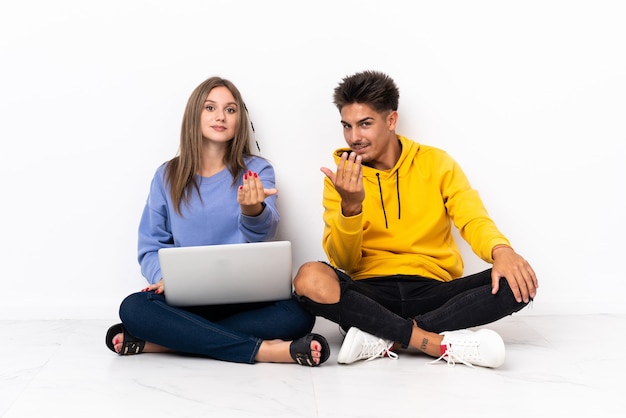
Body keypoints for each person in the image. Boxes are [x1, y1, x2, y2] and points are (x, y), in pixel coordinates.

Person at [293, 70, 538, 368]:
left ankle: (383, 336)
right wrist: (351, 207)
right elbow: (343, 260)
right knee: (309, 277)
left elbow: (472, 217)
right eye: (347, 126)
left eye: (365, 124)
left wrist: (502, 252)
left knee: (518, 280)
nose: (354, 137)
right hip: (370, 293)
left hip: (433, 290)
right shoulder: (342, 177)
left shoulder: (436, 163)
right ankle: (433, 341)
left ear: (391, 120)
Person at [105, 76, 329, 367]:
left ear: (239, 119)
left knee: (298, 315)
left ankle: (164, 343)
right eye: (210, 108)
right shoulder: (166, 176)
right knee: (133, 308)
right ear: (194, 115)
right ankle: (264, 351)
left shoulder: (258, 170)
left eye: (230, 109)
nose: (221, 116)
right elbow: (151, 245)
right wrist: (163, 277)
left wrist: (252, 210)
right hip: (185, 301)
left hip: (246, 300)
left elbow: (264, 233)